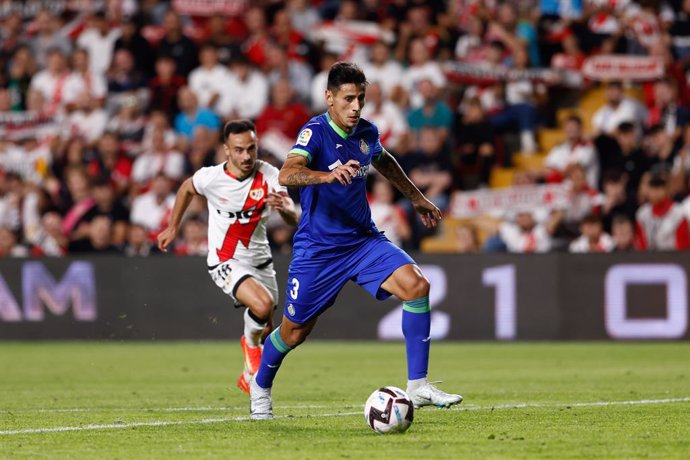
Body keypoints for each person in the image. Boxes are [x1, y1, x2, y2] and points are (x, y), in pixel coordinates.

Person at [249, 62, 462, 420]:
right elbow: (288, 172)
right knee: (294, 333)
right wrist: (326, 175)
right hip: (319, 250)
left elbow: (385, 161)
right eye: (348, 99)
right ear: (329, 98)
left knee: (417, 286)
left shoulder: (367, 132)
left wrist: (415, 197)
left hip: (363, 242)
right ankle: (260, 385)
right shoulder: (314, 132)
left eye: (360, 98)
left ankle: (418, 386)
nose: (356, 106)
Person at [157, 120, 298, 394]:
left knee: (269, 330)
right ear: (227, 151)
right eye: (239, 150)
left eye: (251, 149)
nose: (246, 156)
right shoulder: (211, 178)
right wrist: (173, 226)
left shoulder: (268, 174)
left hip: (262, 262)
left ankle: (248, 374)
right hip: (225, 260)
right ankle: (249, 345)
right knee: (262, 304)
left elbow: (292, 216)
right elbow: (187, 187)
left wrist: (284, 208)